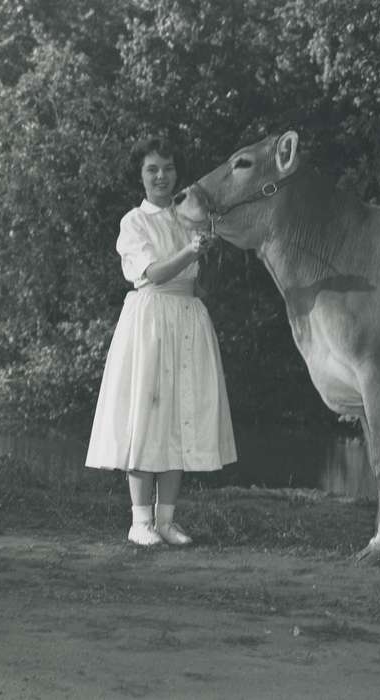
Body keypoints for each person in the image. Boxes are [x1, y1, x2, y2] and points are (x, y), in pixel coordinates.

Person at [85, 136, 237, 546]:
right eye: (152, 169)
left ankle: (167, 520)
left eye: (168, 168)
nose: (161, 177)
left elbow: (201, 286)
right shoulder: (134, 222)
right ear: (140, 175)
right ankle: (140, 522)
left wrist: (210, 255)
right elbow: (151, 273)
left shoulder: (189, 218)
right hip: (150, 322)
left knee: (179, 415)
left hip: (187, 318)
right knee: (147, 414)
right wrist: (191, 251)